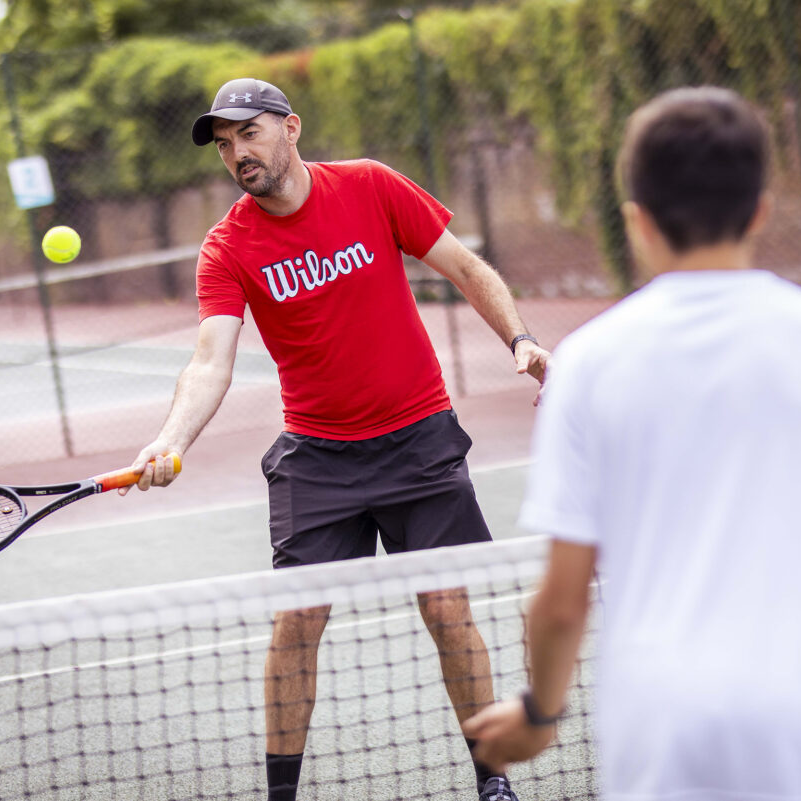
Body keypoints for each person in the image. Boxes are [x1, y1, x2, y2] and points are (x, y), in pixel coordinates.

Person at [462, 86, 801, 799]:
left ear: (636, 222)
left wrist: (541, 716)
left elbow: (561, 602)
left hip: (659, 732)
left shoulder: (589, 363)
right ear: (761, 207)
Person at [121, 78, 548, 801]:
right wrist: (167, 439)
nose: (237, 155)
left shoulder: (372, 187)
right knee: (297, 620)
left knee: (447, 607)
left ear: (290, 128)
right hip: (318, 457)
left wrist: (522, 337)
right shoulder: (228, 248)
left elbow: (466, 268)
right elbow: (209, 360)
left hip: (419, 438)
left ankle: (493, 782)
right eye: (225, 146)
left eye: (248, 134)